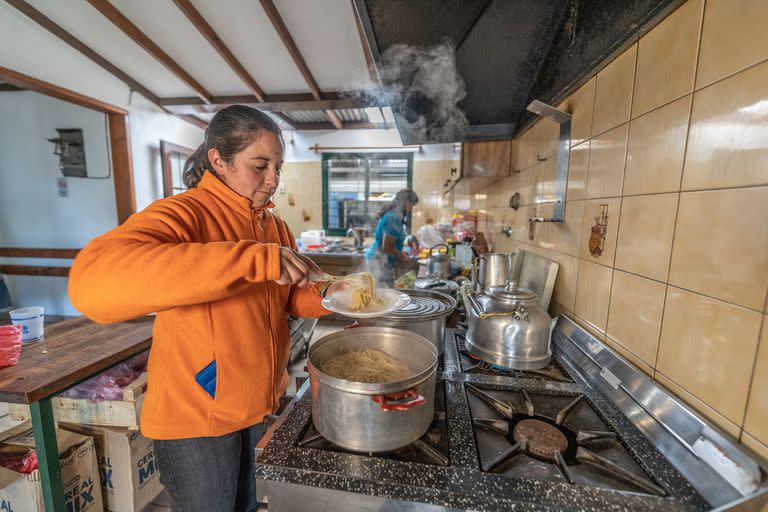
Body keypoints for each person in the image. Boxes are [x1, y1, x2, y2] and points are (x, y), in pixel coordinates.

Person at [68, 105, 346, 512]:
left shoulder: (272, 225)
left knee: (247, 507)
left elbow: (287, 297)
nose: (273, 180)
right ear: (218, 159)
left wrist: (331, 294)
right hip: (196, 417)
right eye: (260, 165)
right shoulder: (183, 214)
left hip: (256, 403)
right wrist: (252, 258)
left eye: (278, 167)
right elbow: (91, 284)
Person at [364, 189, 419, 286]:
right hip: (378, 262)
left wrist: (402, 253)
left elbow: (394, 243)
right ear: (406, 201)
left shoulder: (394, 215)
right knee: (382, 295)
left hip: (381, 261)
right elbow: (387, 247)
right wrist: (403, 257)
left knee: (386, 293)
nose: (411, 208)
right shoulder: (393, 218)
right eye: (412, 204)